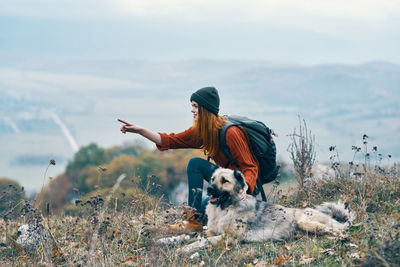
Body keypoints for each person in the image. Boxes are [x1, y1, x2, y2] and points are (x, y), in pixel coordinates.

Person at [118, 86, 258, 231]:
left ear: (206, 108)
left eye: (195, 106)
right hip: (223, 184)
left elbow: (250, 166)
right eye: (192, 106)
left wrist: (245, 185)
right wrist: (140, 130)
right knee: (201, 191)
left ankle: (194, 221)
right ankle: (193, 219)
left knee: (198, 174)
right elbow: (169, 140)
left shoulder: (231, 133)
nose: (192, 110)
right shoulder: (203, 131)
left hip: (241, 187)